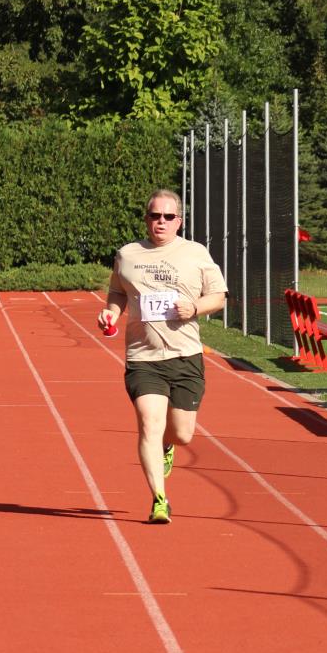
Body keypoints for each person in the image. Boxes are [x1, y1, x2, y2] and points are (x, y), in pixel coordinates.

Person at [98, 189, 227, 523]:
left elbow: (219, 296)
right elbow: (117, 291)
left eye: (168, 217)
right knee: (149, 424)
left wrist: (194, 307)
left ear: (179, 221)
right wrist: (111, 312)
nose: (161, 222)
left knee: (182, 433)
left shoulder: (195, 253)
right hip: (143, 358)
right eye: (155, 216)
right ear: (146, 219)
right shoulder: (128, 254)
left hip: (185, 355)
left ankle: (168, 446)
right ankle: (159, 499)